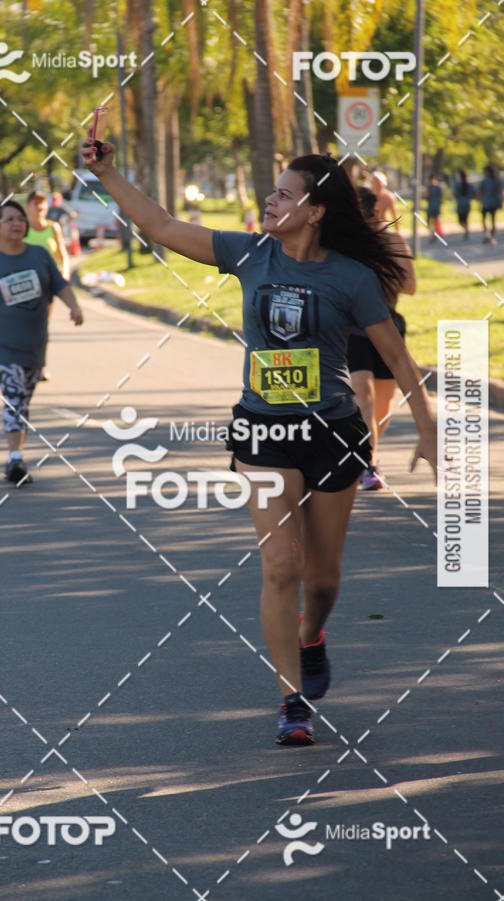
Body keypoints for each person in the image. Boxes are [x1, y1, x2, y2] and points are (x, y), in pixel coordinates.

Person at [81, 136, 438, 746]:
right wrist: (106, 173)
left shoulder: (350, 278)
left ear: (316, 210)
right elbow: (162, 225)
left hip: (331, 431)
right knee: (281, 566)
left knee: (322, 580)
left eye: (283, 194)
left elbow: (397, 357)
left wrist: (428, 432)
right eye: (271, 191)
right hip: (263, 430)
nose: (269, 202)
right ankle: (291, 700)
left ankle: (312, 636)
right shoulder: (250, 255)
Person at [0, 200, 84, 484]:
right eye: (10, 219)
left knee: (22, 401)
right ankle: (15, 459)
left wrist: (74, 307)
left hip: (34, 347)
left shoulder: (38, 255)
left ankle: (16, 454)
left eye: (21, 219)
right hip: (0, 346)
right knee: (13, 395)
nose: (18, 224)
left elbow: (60, 285)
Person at [348, 187, 416, 490]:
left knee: (384, 407)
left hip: (387, 326)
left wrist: (378, 272)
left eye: (373, 214)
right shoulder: (345, 243)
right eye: (364, 216)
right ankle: (368, 464)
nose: (372, 220)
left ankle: (367, 452)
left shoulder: (392, 241)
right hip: (354, 330)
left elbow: (411, 285)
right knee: (363, 393)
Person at [25, 189, 70, 381]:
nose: (40, 207)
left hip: (46, 286)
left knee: (42, 325)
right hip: (24, 286)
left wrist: (64, 276)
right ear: (28, 206)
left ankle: (41, 366)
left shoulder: (54, 228)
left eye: (43, 203)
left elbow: (63, 255)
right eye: (36, 203)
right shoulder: (22, 228)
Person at [478, 164, 502, 245]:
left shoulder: (485, 180)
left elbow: (480, 192)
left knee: (484, 218)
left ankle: (486, 234)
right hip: (494, 202)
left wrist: (479, 201)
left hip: (486, 202)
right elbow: (500, 192)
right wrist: (501, 202)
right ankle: (492, 236)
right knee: (493, 219)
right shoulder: (498, 179)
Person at [453, 170, 475, 241]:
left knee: (461, 220)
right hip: (467, 203)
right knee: (465, 219)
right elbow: (473, 194)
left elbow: (455, 194)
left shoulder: (458, 185)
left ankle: (466, 230)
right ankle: (466, 230)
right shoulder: (469, 185)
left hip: (461, 203)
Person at [425, 174, 443, 241]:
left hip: (433, 206)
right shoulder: (436, 187)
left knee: (432, 221)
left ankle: (434, 233)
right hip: (433, 206)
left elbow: (426, 196)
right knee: (431, 221)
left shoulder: (433, 187)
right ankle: (434, 233)